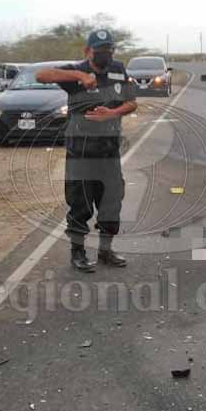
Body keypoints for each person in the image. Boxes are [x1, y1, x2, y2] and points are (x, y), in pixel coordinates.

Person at [35, 29, 138, 272]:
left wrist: (113, 113)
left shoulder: (118, 69)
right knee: (80, 204)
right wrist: (80, 75)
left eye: (109, 50)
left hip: (109, 151)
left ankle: (105, 251)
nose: (106, 55)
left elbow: (132, 102)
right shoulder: (75, 71)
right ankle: (77, 253)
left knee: (111, 202)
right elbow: (41, 75)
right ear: (88, 51)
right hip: (80, 152)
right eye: (100, 51)